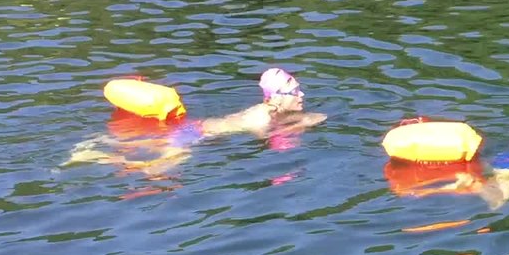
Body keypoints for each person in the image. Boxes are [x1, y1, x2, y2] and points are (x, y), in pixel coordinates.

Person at [66, 68, 325, 174]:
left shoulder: (269, 110)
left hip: (196, 129)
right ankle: (96, 156)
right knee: (155, 169)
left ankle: (101, 142)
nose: (301, 94)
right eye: (294, 91)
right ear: (276, 99)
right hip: (192, 135)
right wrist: (305, 124)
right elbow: (270, 134)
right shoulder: (262, 117)